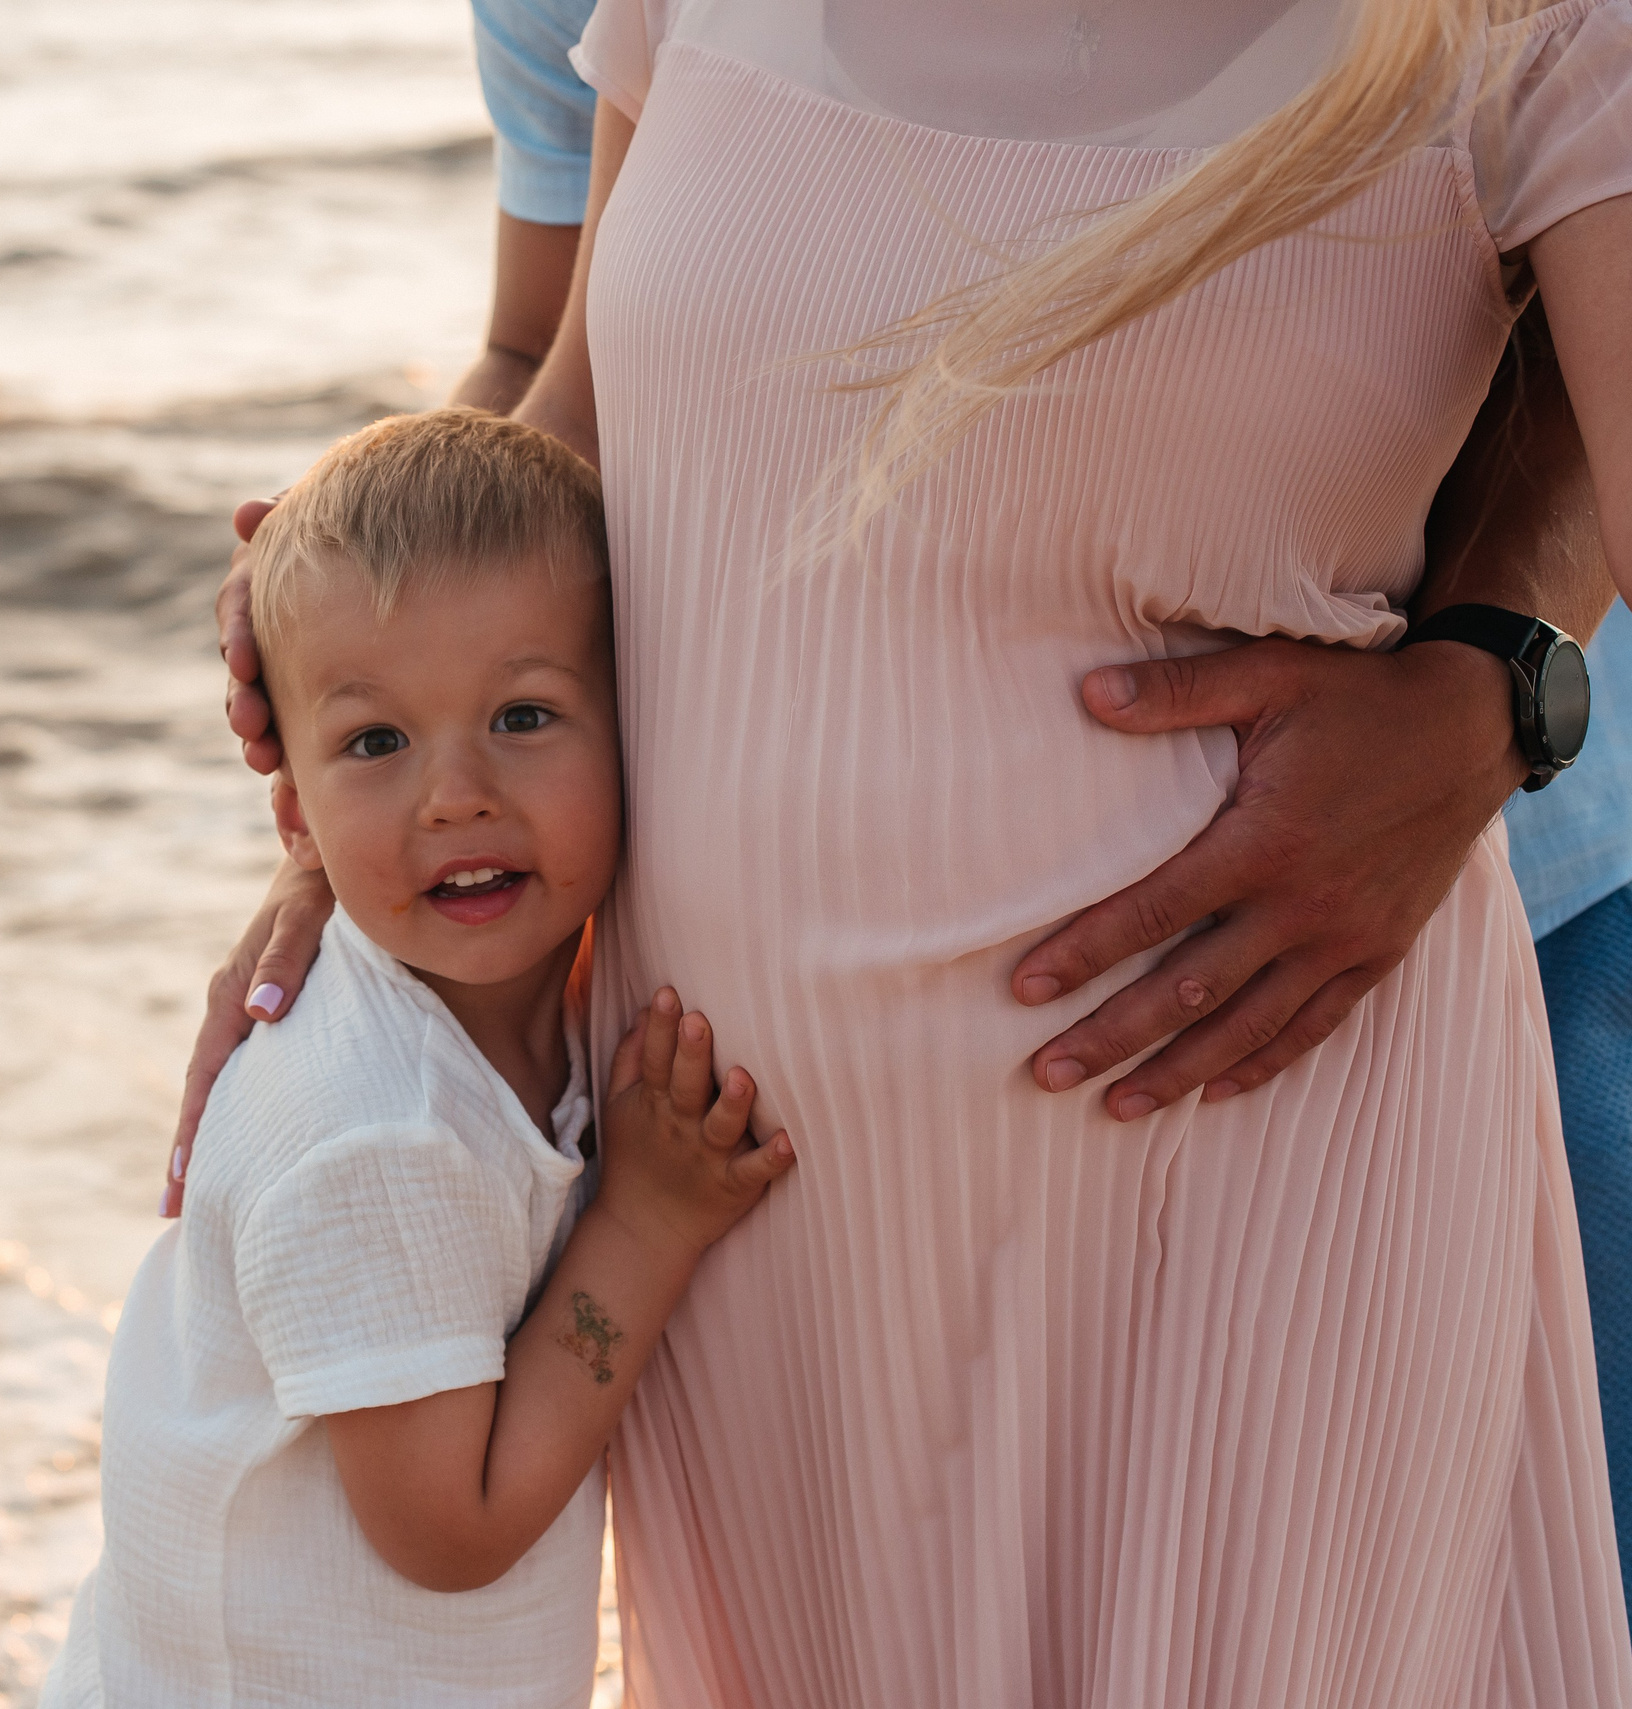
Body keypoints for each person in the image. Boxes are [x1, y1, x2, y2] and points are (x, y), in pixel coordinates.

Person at [180, 0, 1632, 1698]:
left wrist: (1498, 677)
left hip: (1241, 1185)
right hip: (756, 1246)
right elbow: (577, 422)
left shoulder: (1534, 27)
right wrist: (363, 791)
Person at [44, 410, 788, 1707]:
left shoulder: (506, 1008)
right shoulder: (374, 1130)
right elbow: (454, 1528)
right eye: (376, 743)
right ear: (300, 819)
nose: (455, 793)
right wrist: (651, 1222)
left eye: (523, 714)